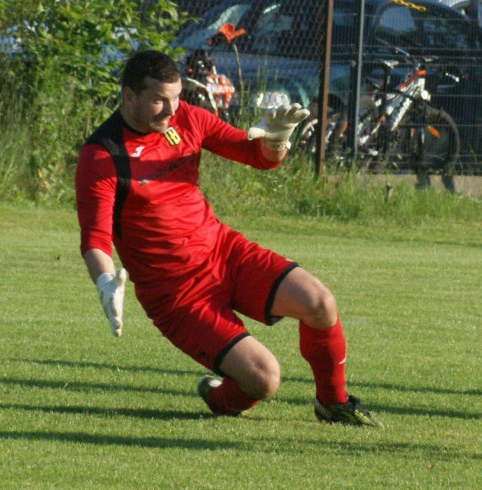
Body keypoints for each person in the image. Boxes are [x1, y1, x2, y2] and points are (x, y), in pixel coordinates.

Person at [76, 49, 378, 425]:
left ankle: (332, 404)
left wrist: (276, 141)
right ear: (128, 96)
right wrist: (105, 280)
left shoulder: (187, 118)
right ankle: (218, 397)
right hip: (177, 294)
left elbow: (257, 156)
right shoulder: (102, 155)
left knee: (320, 303)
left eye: (176, 97)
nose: (171, 110)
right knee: (265, 379)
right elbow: (95, 238)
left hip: (224, 253)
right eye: (158, 100)